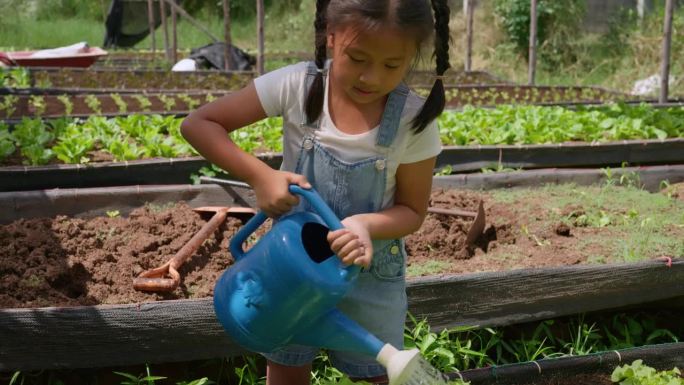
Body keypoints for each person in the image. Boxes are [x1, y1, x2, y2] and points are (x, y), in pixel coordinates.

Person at [181, 0, 451, 383]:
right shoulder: (296, 85)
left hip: (368, 276)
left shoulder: (413, 119)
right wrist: (261, 177)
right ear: (331, 36)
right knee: (287, 366)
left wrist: (363, 225)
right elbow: (199, 124)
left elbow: (412, 211)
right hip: (289, 270)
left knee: (377, 369)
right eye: (357, 58)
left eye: (392, 65)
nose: (371, 77)